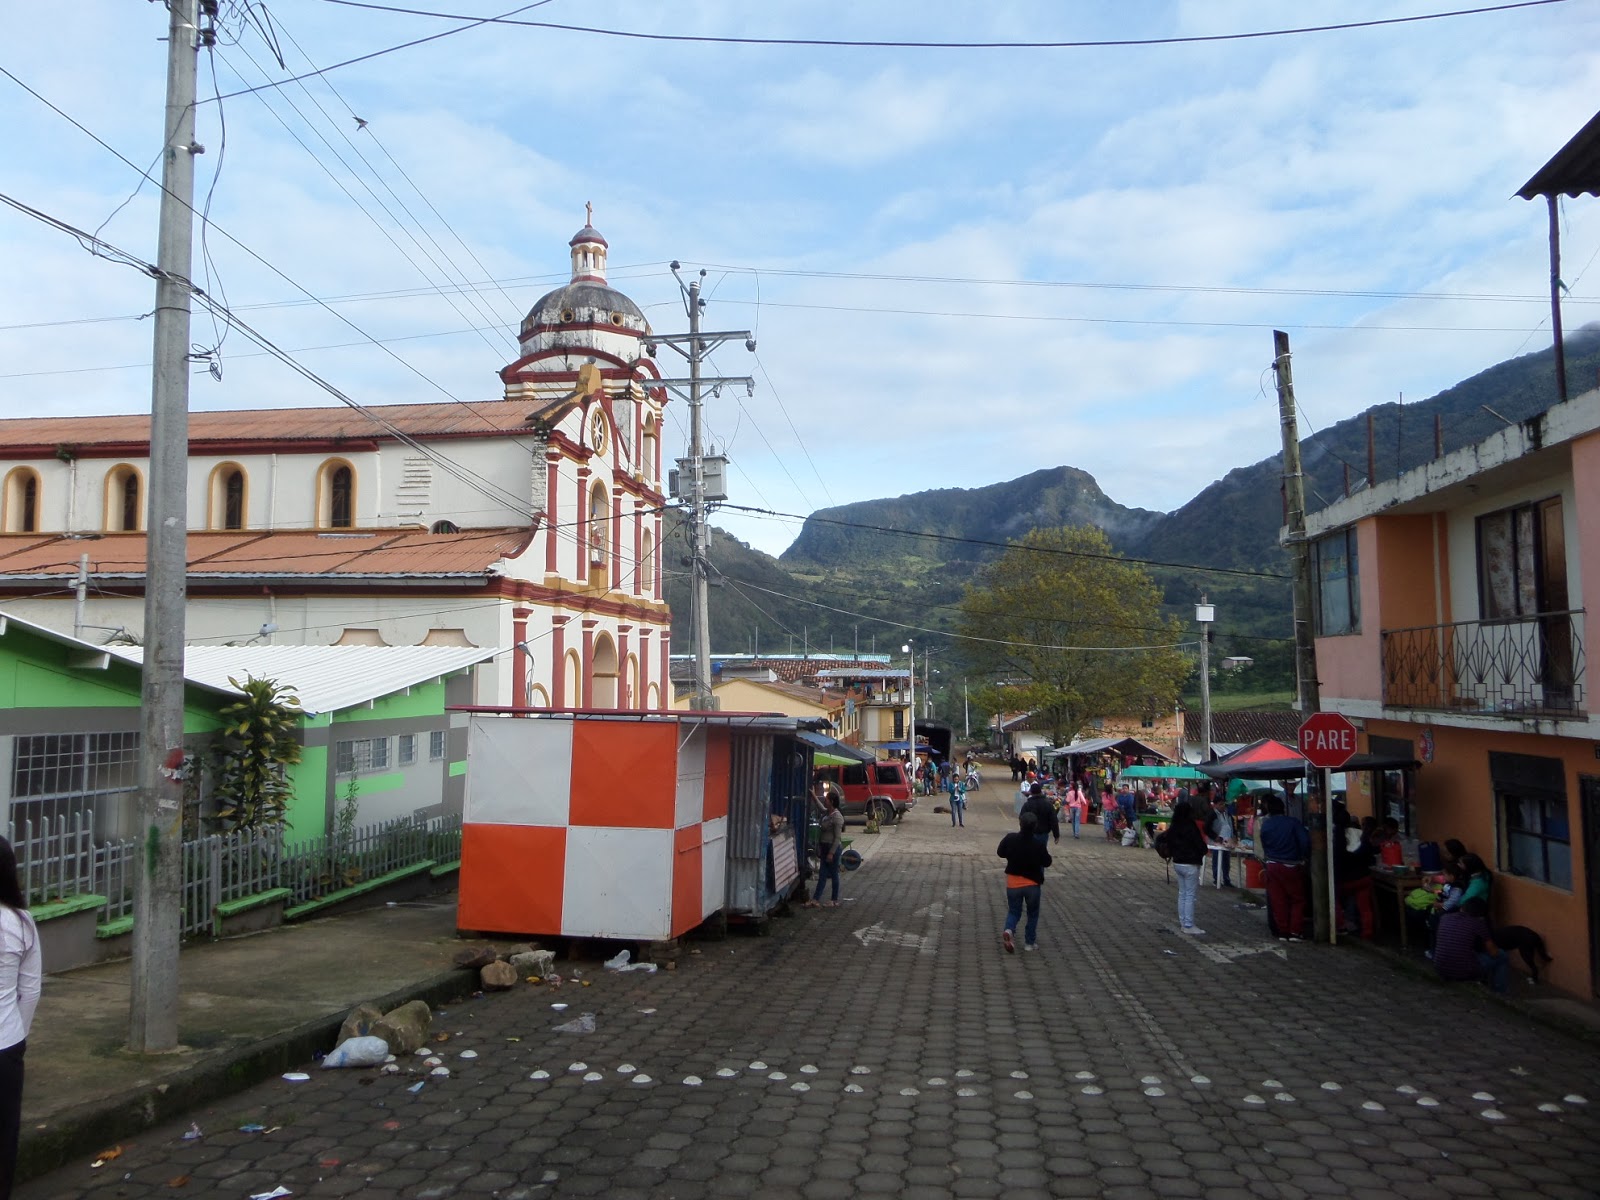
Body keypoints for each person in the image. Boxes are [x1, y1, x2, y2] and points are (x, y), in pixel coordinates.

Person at [0, 837, 39, 1200]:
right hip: (6, 1047)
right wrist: (16, 1037)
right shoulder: (21, 921)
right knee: (4, 1135)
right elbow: (30, 990)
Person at [1256, 794, 1310, 940]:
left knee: (1278, 900)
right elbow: (1305, 841)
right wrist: (1302, 856)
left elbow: (1263, 843)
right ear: (1283, 809)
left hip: (1272, 865)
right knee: (1297, 899)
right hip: (1291, 864)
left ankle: (1283, 930)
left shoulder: (1265, 825)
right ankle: (1295, 931)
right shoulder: (1293, 823)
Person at [997, 810, 1052, 953]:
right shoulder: (1038, 844)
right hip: (1032, 885)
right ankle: (1029, 943)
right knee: (1032, 914)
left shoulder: (1010, 838)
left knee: (1014, 911)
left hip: (1013, 883)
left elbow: (1000, 852)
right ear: (1035, 826)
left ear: (1020, 824)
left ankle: (1009, 930)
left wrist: (1011, 855)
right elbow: (1047, 862)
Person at [1434, 897, 1509, 994]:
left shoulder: (1445, 917)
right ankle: (1500, 992)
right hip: (1463, 971)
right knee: (1502, 956)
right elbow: (1494, 953)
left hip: (1440, 967)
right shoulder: (1478, 923)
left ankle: (1482, 980)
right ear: (1480, 915)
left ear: (1462, 908)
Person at [1165, 799, 1209, 936]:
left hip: (1178, 863)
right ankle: (1188, 924)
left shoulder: (1174, 826)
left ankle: (1183, 922)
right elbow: (1200, 844)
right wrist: (1203, 850)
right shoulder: (1190, 826)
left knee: (1182, 894)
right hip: (1191, 864)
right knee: (1190, 895)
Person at [805, 787, 846, 909]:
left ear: (832, 802)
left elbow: (837, 838)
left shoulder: (837, 817)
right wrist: (813, 795)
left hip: (832, 848)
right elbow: (820, 807)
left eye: (827, 800)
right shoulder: (827, 813)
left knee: (834, 874)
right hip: (824, 847)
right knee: (822, 874)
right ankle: (815, 899)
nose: (825, 801)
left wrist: (831, 853)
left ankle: (834, 899)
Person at [1203, 792, 1235, 886]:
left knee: (1226, 861)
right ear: (1215, 805)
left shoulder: (1227, 814)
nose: (1222, 806)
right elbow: (1206, 828)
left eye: (1223, 804)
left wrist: (1234, 836)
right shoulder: (1212, 814)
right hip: (1216, 841)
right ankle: (1216, 879)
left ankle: (1226, 879)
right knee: (1217, 859)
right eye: (1220, 804)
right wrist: (1215, 837)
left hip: (1227, 840)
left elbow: (1232, 825)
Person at [1022, 783, 1060, 849]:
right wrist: (1056, 835)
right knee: (1041, 851)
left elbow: (1022, 818)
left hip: (1029, 833)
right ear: (1040, 792)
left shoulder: (1027, 805)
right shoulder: (1048, 805)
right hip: (1043, 833)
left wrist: (1022, 832)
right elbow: (1054, 820)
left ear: (1031, 792)